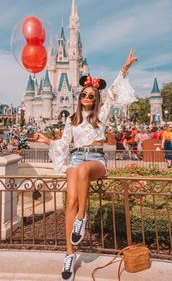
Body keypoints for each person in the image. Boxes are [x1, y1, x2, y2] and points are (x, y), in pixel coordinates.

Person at [34, 50, 137, 281]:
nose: (87, 98)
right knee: (69, 201)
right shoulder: (72, 120)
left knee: (82, 171)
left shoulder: (101, 114)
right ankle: (69, 254)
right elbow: (64, 143)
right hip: (76, 158)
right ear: (80, 97)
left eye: (91, 95)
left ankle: (82, 218)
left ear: (96, 98)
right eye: (84, 95)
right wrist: (46, 140)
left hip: (96, 160)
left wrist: (125, 67)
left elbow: (113, 93)